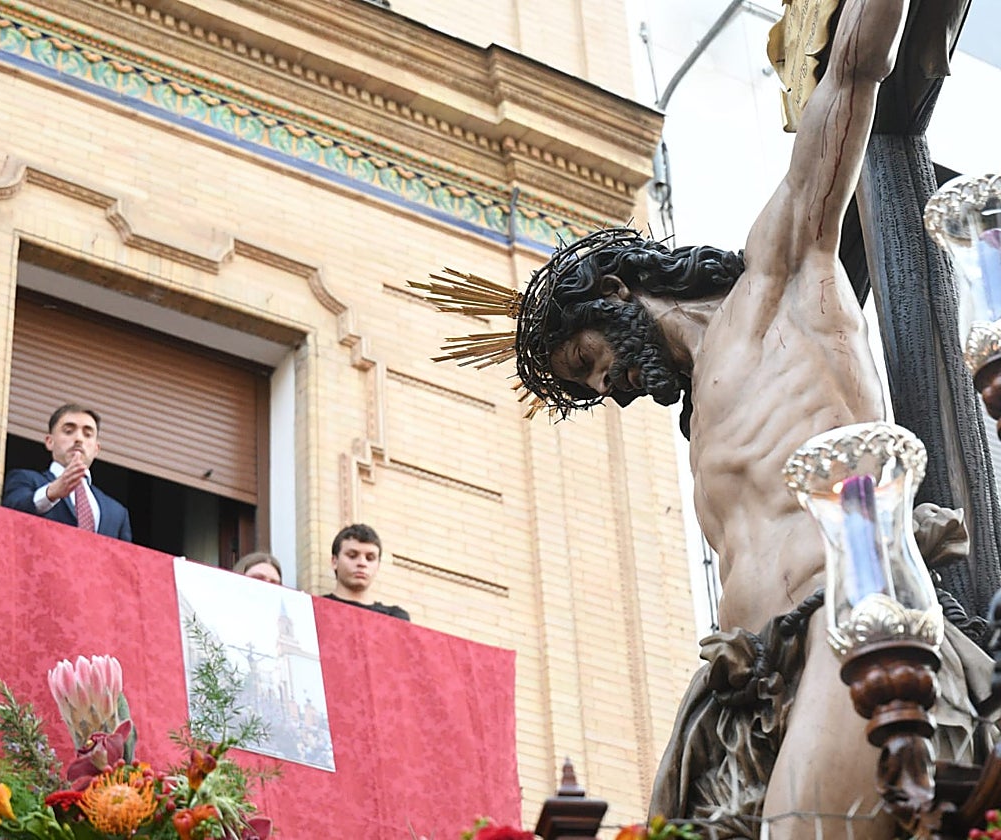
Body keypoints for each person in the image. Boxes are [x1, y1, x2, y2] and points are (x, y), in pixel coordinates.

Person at [470, 0, 993, 835]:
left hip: (851, 623)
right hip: (738, 697)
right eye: (589, 384)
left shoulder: (782, 281)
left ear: (617, 292)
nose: (607, 386)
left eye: (589, 360)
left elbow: (853, 75)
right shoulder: (702, 418)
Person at [1, 403, 132, 542]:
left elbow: (123, 555)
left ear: (96, 449)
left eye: (87, 434)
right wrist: (50, 493)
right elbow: (8, 515)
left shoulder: (117, 512)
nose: (79, 439)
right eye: (69, 431)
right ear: (50, 441)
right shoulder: (25, 479)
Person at [322, 524, 409, 621]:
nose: (362, 563)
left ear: (378, 566)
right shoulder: (314, 610)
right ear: (335, 561)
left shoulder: (394, 618)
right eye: (352, 556)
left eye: (370, 558)